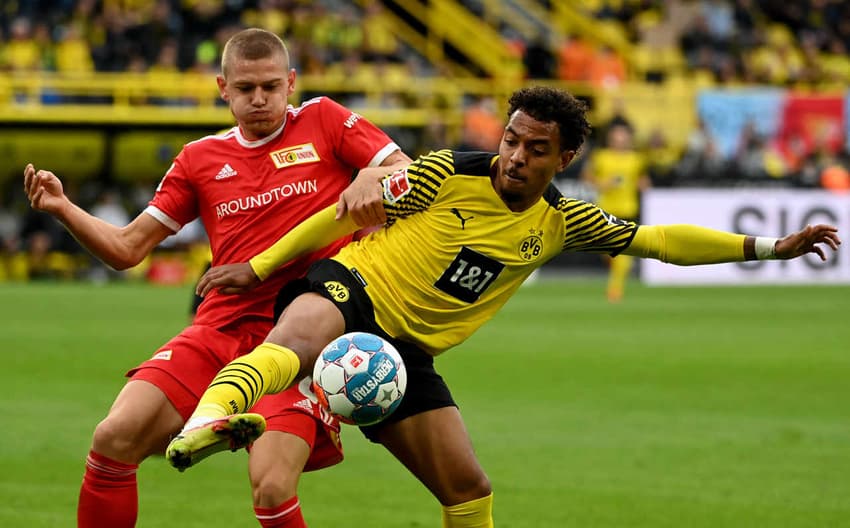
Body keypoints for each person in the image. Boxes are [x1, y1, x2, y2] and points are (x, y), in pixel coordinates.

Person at [165, 86, 840, 527]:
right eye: (512, 138)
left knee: (469, 489)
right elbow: (343, 210)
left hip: (408, 354)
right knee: (298, 337)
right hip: (354, 286)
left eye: (535, 148)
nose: (514, 156)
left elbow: (658, 241)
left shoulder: (561, 221)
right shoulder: (443, 172)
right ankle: (208, 420)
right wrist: (254, 267)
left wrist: (768, 247)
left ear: (565, 156)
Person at [24, 28, 411, 528]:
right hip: (218, 331)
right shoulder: (199, 159)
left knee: (272, 490)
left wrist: (367, 175)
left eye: (271, 86)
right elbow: (126, 249)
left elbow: (402, 168)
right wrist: (61, 207)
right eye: (246, 88)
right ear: (222, 88)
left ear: (291, 82)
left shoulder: (326, 120)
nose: (259, 99)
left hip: (299, 339)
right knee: (112, 439)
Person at [581, 122, 650, 302]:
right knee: (608, 252)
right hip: (605, 210)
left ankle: (615, 289)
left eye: (623, 136)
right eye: (617, 136)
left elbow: (643, 180)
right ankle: (620, 273)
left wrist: (642, 185)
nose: (620, 140)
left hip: (627, 210)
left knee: (622, 253)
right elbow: (587, 176)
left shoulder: (637, 159)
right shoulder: (601, 157)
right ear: (611, 138)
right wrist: (602, 184)